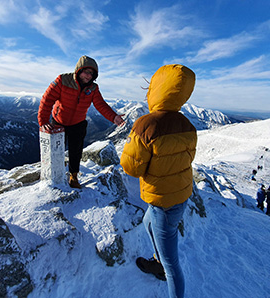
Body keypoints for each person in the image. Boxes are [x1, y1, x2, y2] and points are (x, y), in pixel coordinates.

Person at [120, 64, 197, 298]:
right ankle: (157, 261)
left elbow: (131, 167)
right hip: (179, 196)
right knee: (147, 222)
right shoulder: (188, 125)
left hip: (163, 203)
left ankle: (162, 268)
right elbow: (187, 158)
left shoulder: (146, 124)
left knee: (172, 264)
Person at [37, 55, 125, 188]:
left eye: (92, 73)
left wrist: (114, 117)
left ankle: (74, 176)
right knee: (55, 150)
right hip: (58, 121)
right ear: (78, 70)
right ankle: (54, 175)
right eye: (86, 71)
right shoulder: (62, 80)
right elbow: (47, 99)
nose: (88, 76)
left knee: (76, 151)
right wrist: (43, 121)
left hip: (78, 123)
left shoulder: (93, 88)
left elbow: (100, 105)